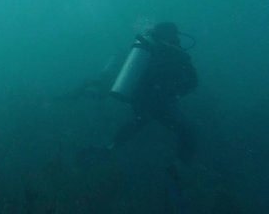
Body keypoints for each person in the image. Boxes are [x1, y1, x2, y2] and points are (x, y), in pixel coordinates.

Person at [77, 22, 198, 166]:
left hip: (139, 98)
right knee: (187, 131)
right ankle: (179, 166)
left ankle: (109, 148)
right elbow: (192, 81)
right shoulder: (177, 54)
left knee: (140, 120)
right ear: (172, 35)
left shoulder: (146, 47)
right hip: (159, 101)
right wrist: (176, 93)